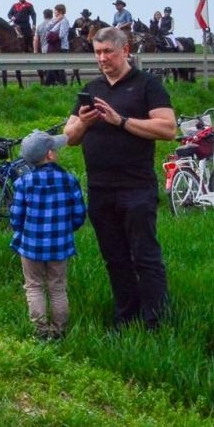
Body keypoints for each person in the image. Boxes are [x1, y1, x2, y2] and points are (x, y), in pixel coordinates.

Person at [63, 26, 178, 330]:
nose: (102, 58)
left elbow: (168, 128)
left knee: (145, 256)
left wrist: (121, 121)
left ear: (125, 50)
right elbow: (69, 137)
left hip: (136, 187)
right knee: (114, 258)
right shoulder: (92, 88)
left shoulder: (146, 85)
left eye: (107, 52)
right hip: (100, 188)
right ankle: (125, 318)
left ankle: (156, 321)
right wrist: (84, 124)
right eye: (97, 52)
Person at [9, 130, 87, 340]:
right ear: (50, 155)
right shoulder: (69, 180)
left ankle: (40, 330)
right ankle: (59, 330)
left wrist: (21, 230)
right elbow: (79, 214)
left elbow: (16, 217)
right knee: (57, 287)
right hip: (59, 246)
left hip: (30, 246)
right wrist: (66, 229)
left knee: (34, 286)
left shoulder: (23, 183)